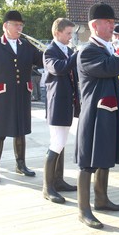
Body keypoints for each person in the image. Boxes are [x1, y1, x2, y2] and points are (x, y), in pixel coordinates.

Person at [75, 2, 119, 229]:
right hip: (95, 113)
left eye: (113, 21)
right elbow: (108, 68)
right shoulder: (87, 51)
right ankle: (83, 209)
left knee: (104, 157)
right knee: (88, 162)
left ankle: (102, 199)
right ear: (94, 25)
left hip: (111, 111)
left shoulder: (109, 49)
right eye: (108, 22)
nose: (113, 25)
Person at [0, 10, 43, 184]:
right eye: (16, 25)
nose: (19, 28)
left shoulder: (27, 45)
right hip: (1, 96)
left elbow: (42, 60)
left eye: (21, 25)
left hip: (22, 94)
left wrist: (53, 51)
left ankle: (21, 164)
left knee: (20, 130)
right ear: (5, 26)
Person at [42, 18, 80, 204]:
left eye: (71, 33)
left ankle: (58, 180)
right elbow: (59, 68)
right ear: (57, 33)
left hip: (67, 102)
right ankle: (47, 188)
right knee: (56, 143)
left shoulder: (68, 50)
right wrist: (75, 56)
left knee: (62, 142)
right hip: (57, 103)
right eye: (68, 33)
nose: (70, 37)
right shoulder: (50, 50)